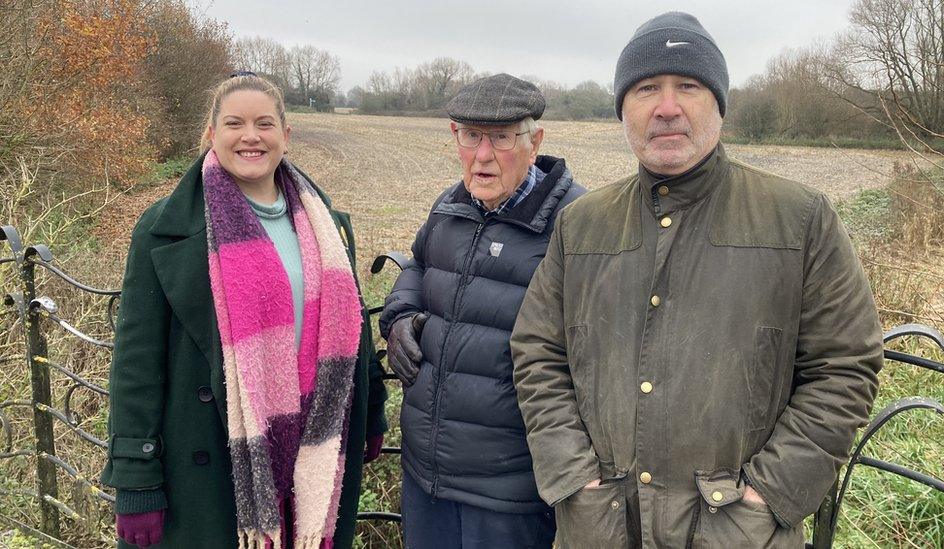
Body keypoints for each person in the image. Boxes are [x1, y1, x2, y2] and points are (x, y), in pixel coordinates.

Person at [511, 12, 883, 549]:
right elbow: (537, 351)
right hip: (602, 528)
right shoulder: (582, 224)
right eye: (645, 89)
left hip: (741, 534)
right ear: (624, 110)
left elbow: (844, 367)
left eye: (687, 85)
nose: (667, 107)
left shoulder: (799, 219)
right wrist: (576, 478)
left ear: (719, 106)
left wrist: (766, 496)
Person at [100, 72, 388, 549]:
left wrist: (372, 407)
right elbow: (136, 365)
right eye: (234, 123)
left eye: (264, 123)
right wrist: (136, 476)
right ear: (212, 133)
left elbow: (352, 329)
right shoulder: (164, 229)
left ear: (285, 136)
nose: (250, 136)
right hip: (213, 461)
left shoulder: (326, 226)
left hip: (313, 449)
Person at [379, 73, 585, 548]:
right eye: (471, 136)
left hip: (509, 490)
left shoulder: (574, 223)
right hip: (425, 473)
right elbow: (419, 262)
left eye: (500, 138)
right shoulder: (449, 205)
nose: (482, 154)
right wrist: (399, 316)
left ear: (534, 143)